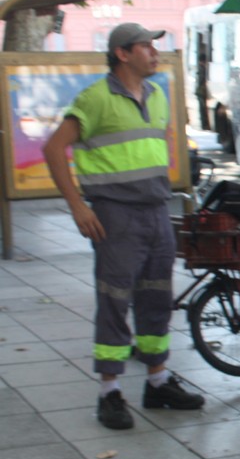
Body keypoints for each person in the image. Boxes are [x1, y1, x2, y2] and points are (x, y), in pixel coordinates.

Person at [42, 23, 205, 430]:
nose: (155, 53)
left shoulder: (157, 95)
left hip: (156, 211)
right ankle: (109, 392)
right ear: (122, 53)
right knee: (115, 299)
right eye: (146, 46)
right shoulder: (96, 98)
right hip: (116, 215)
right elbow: (52, 147)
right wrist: (78, 206)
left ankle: (158, 381)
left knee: (157, 298)